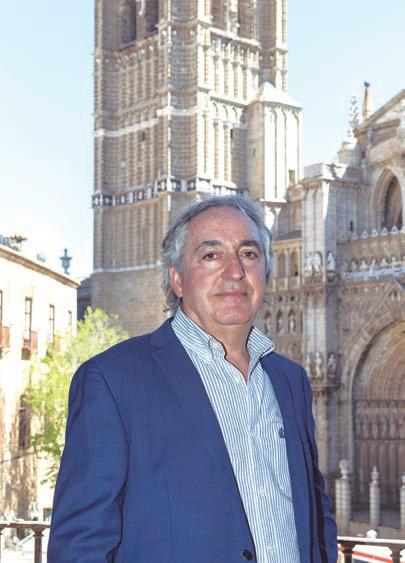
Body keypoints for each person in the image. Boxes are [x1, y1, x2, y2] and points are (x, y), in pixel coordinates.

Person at [48, 195, 337, 562]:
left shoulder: (291, 380)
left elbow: (315, 514)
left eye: (249, 254)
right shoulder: (111, 381)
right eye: (211, 255)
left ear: (266, 272)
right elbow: (79, 549)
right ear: (178, 280)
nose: (235, 271)